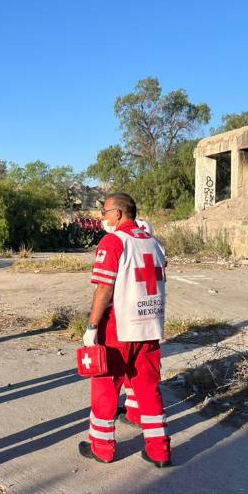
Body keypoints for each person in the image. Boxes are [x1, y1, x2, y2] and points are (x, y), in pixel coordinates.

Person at [80, 193, 171, 467]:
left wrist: (91, 325)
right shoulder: (154, 243)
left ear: (118, 213)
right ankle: (159, 450)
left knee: (106, 386)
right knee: (148, 388)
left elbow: (104, 289)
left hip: (119, 328)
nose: (103, 217)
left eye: (105, 211)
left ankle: (102, 448)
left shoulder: (113, 242)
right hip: (150, 326)